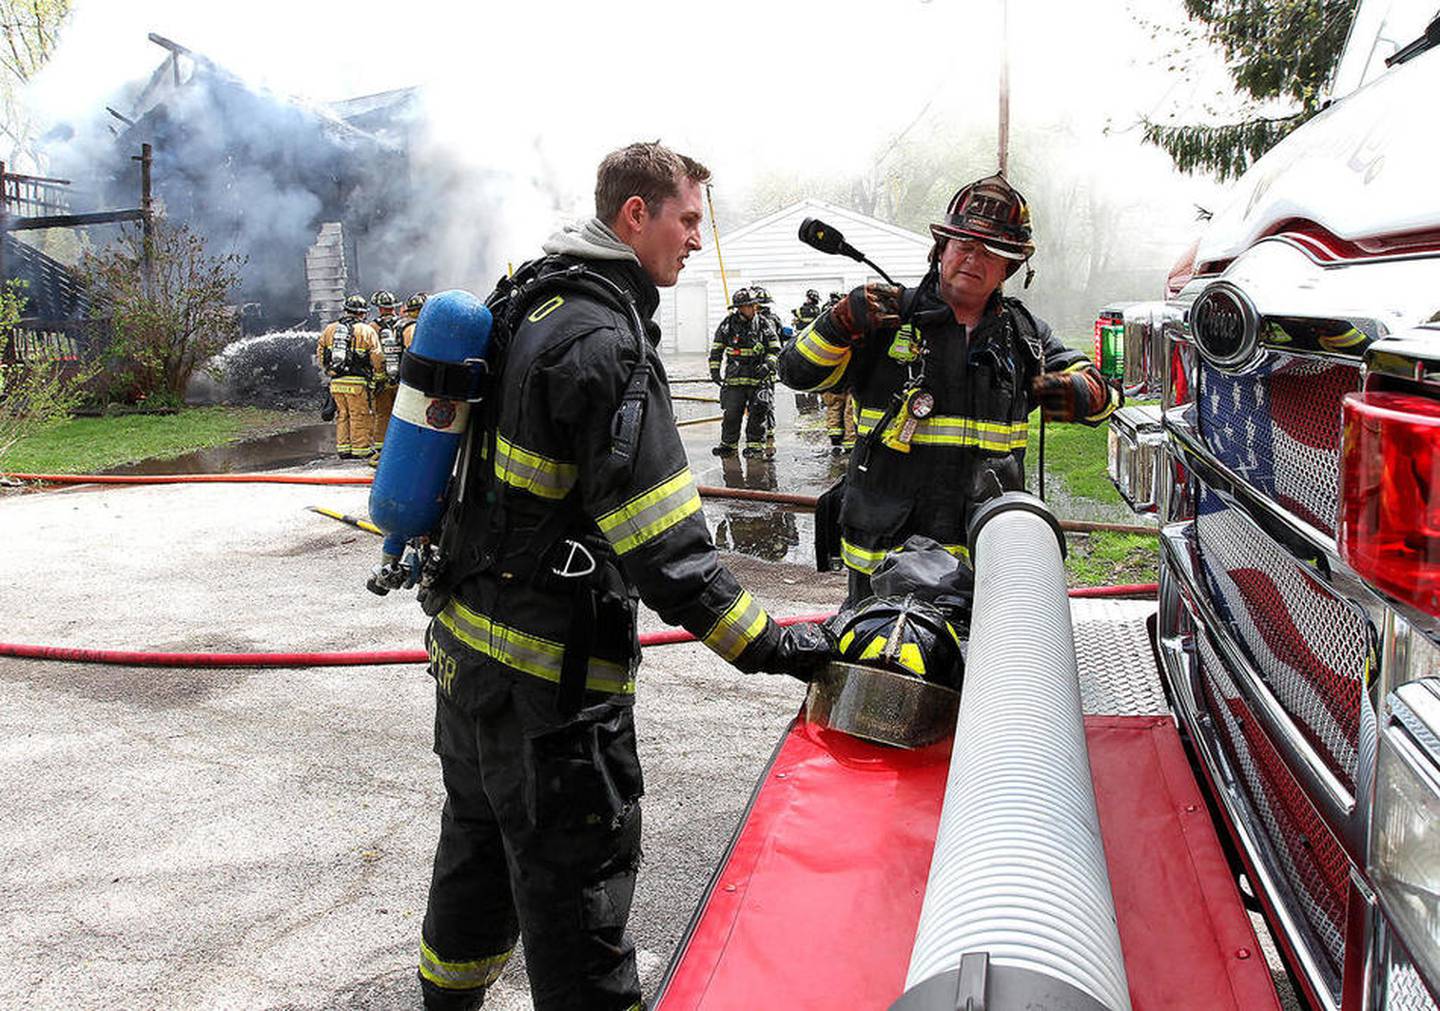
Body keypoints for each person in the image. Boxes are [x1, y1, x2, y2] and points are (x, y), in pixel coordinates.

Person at [416, 141, 832, 1011]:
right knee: (578, 913)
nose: (692, 239)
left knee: (477, 855)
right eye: (685, 219)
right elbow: (666, 552)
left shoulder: (529, 298)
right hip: (553, 697)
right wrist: (775, 644)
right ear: (634, 215)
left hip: (467, 665)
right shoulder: (604, 343)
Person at [778, 173, 1120, 604]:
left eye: (993, 252)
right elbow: (795, 372)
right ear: (941, 249)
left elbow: (1103, 401)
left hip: (983, 563)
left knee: (977, 671)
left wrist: (1050, 391)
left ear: (1010, 267)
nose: (975, 260)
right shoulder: (884, 319)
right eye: (965, 246)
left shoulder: (1025, 338)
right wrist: (838, 324)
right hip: (882, 566)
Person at [708, 287, 782, 458]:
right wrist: (714, 370)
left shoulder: (764, 324)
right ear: (740, 307)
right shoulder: (727, 325)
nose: (754, 307)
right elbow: (717, 349)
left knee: (758, 413)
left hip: (758, 378)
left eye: (754, 304)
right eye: (750, 305)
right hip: (735, 379)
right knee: (732, 414)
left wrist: (767, 365)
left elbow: (776, 350)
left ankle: (754, 446)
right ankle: (728, 444)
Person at [315, 294, 383, 460]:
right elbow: (377, 357)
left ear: (346, 311)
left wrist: (329, 371)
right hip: (357, 383)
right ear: (363, 313)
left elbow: (321, 353)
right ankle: (360, 449)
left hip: (337, 382)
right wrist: (380, 376)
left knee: (343, 414)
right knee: (359, 415)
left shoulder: (330, 329)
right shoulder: (367, 330)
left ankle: (343, 448)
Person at [370, 290, 404, 457]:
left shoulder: (372, 327)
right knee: (403, 413)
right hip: (402, 379)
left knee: (382, 414)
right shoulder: (404, 325)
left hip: (381, 381)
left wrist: (376, 377)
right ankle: (401, 444)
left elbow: (373, 355)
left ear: (380, 309)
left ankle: (381, 448)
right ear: (393, 308)